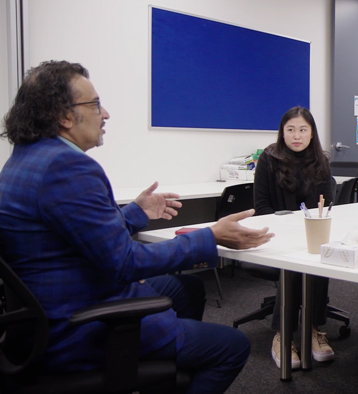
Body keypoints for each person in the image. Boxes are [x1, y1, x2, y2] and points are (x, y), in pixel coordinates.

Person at [0, 61, 275, 394]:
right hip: (74, 328)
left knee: (188, 289)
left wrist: (134, 214)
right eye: (96, 104)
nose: (106, 114)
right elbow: (125, 263)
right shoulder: (68, 167)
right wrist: (211, 236)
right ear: (65, 116)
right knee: (231, 347)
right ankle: (162, 360)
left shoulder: (26, 159)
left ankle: (164, 372)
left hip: (41, 316)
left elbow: (77, 236)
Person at [253, 106, 336, 369]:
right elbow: (261, 207)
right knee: (292, 265)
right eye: (290, 130)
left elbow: (327, 206)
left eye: (303, 130)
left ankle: (312, 328)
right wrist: (287, 230)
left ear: (312, 134)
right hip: (276, 236)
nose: (296, 136)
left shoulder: (321, 161)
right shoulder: (268, 159)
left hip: (310, 235)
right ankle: (283, 334)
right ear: (282, 133)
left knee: (320, 256)